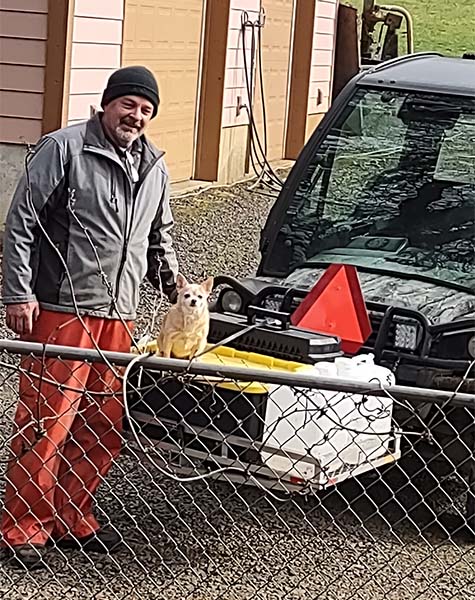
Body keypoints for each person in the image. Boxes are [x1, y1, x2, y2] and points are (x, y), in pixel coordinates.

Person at [0, 66, 178, 569]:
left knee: (102, 423)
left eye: (145, 110)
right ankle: (21, 527)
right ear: (107, 105)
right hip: (61, 310)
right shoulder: (64, 148)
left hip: (119, 316)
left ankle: (70, 517)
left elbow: (158, 237)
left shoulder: (155, 167)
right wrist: (18, 292)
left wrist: (174, 288)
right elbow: (22, 224)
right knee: (47, 422)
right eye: (128, 105)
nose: (135, 116)